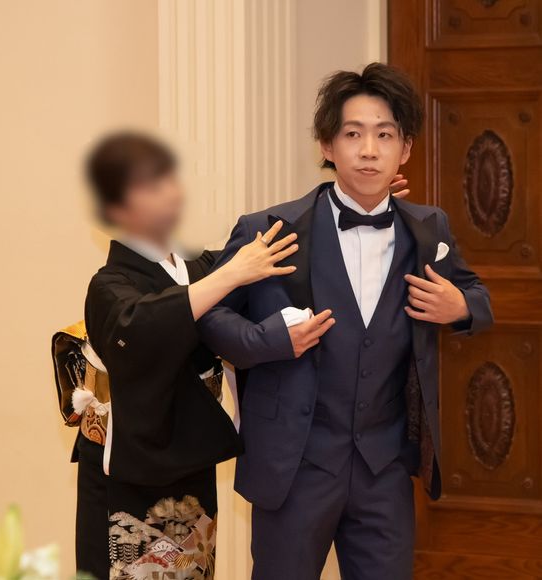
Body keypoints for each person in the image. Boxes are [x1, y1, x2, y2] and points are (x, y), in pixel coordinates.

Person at [198, 62, 493, 580]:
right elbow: (210, 317)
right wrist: (268, 340)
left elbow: (478, 298)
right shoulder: (270, 228)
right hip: (295, 467)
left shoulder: (430, 230)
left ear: (405, 149)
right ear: (327, 145)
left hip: (385, 470)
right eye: (353, 134)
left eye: (385, 135)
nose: (369, 150)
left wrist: (461, 307)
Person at [76, 132, 302, 579]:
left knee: (194, 570)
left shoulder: (199, 268)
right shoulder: (108, 285)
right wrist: (230, 275)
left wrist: (355, 198)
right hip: (131, 470)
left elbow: (278, 245)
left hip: (190, 459)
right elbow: (139, 328)